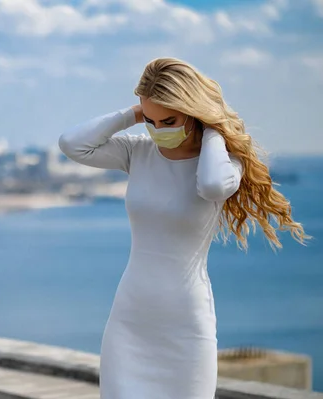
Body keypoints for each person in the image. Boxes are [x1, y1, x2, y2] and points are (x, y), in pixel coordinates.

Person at [58, 57, 309, 399]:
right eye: (150, 121)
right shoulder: (139, 152)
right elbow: (72, 144)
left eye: (170, 120)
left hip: (186, 325)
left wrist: (213, 132)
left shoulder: (224, 165)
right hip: (129, 320)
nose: (159, 130)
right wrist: (132, 114)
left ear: (193, 112)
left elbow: (211, 186)